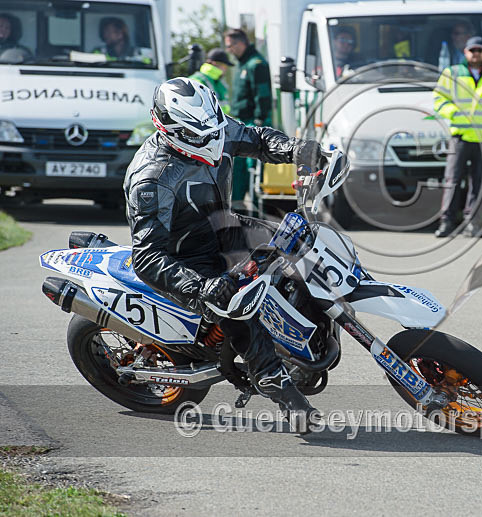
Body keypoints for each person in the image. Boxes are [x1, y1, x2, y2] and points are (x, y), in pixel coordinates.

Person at [124, 77, 326, 424]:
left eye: (215, 128)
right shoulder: (152, 178)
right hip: (185, 259)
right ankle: (272, 378)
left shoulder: (210, 126)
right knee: (236, 305)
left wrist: (295, 149)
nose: (213, 140)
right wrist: (201, 285)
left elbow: (256, 137)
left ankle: (312, 333)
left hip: (223, 226)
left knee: (300, 247)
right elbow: (147, 257)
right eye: (200, 135)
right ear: (170, 129)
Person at [433, 36, 482, 238]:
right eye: (472, 50)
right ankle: (447, 223)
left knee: (478, 181)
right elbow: (439, 99)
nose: (476, 54)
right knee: (452, 179)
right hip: (460, 136)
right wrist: (454, 113)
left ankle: (473, 224)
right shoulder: (452, 73)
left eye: (479, 50)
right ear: (465, 52)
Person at [224, 28, 272, 205]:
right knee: (238, 168)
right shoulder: (243, 64)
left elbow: (263, 95)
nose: (229, 50)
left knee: (253, 168)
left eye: (231, 46)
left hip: (252, 123)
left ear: (241, 43)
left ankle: (258, 207)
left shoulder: (256, 64)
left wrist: (259, 121)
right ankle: (237, 207)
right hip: (240, 123)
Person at [189, 47, 233, 114]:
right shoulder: (197, 80)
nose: (226, 69)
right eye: (225, 66)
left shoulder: (217, 81)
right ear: (215, 63)